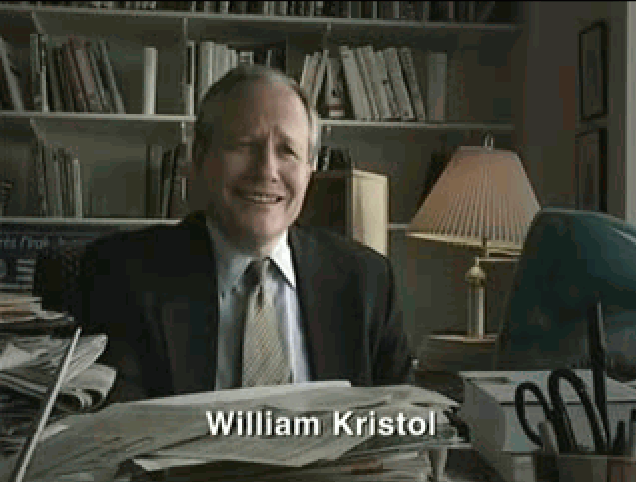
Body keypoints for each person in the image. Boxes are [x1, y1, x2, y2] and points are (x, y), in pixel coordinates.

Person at [76, 65, 413, 402]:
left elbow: (404, 414)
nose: (266, 170)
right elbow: (116, 421)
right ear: (199, 157)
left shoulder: (367, 280)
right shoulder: (123, 274)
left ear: (309, 170)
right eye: (244, 145)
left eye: (287, 151)